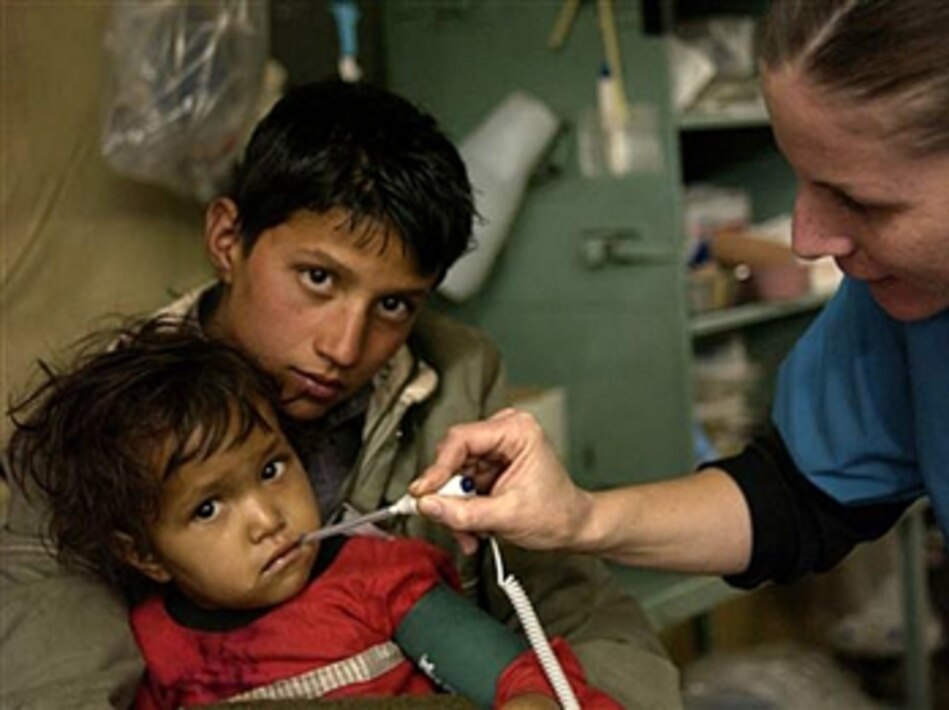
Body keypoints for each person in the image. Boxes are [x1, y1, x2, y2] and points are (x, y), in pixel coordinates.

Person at [412, 0, 949, 705]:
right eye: (801, 178)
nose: (804, 237)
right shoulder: (925, 298)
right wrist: (580, 517)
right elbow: (796, 495)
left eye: (859, 201)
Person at [0, 80, 679, 709]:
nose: (346, 347)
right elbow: (58, 675)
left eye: (394, 305)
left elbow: (575, 607)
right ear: (228, 240)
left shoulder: (456, 376)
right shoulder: (98, 432)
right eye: (319, 279)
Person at [7, 318, 619, 709]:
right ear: (143, 554)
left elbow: (519, 684)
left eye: (272, 470)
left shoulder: (377, 578)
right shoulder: (155, 650)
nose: (267, 519)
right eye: (209, 508)